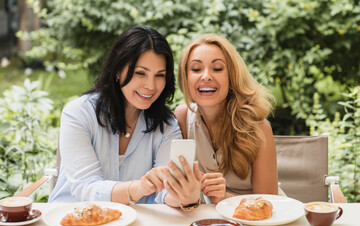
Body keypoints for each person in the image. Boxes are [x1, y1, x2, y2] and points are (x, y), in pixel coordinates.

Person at [49, 26, 201, 207]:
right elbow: (86, 187)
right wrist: (138, 188)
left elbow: (166, 194)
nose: (151, 86)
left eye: (160, 75)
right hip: (72, 223)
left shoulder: (167, 126)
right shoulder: (78, 113)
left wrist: (185, 196)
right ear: (118, 71)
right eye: (140, 73)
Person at [175, 34, 279, 204]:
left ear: (232, 77)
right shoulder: (182, 116)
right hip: (209, 223)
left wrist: (225, 197)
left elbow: (269, 204)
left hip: (258, 222)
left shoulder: (258, 127)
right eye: (196, 69)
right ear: (185, 79)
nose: (206, 76)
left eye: (217, 68)